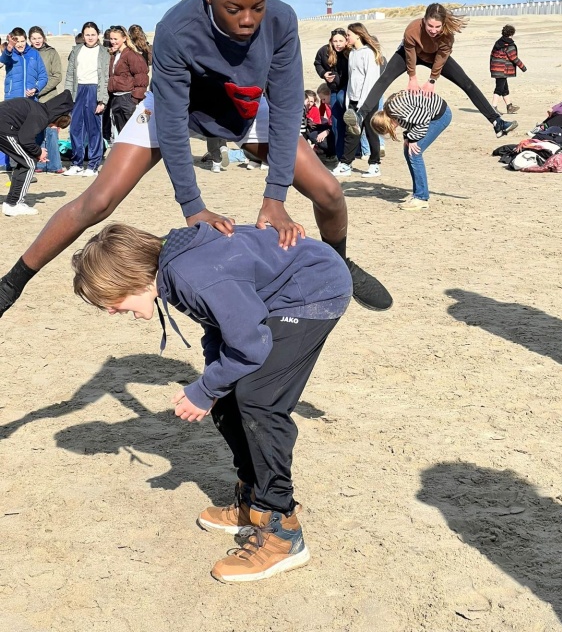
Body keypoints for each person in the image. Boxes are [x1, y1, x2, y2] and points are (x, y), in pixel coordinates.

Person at [0, 0, 391, 320]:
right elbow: (170, 122)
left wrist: (275, 197)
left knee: (329, 192)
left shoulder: (282, 21)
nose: (248, 19)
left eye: (257, 6)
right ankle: (11, 283)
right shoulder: (175, 27)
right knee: (97, 201)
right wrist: (193, 207)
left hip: (243, 105)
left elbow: (288, 108)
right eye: (234, 8)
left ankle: (338, 265)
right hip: (179, 108)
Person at [71, 221, 352, 582]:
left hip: (312, 290)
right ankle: (252, 500)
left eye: (109, 300)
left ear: (129, 277)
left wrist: (205, 389)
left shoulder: (192, 274)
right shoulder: (173, 272)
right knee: (227, 397)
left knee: (260, 402)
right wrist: (212, 388)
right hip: (277, 295)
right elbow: (218, 326)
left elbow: (250, 345)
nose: (110, 311)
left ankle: (281, 528)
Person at [347, 3, 518, 139]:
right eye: (430, 26)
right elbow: (410, 54)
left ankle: (497, 122)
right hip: (410, 54)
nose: (434, 30)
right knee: (384, 78)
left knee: (467, 83)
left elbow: (441, 58)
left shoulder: (447, 35)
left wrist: (432, 80)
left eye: (438, 27)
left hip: (435, 56)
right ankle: (360, 115)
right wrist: (412, 77)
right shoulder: (412, 30)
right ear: (424, 20)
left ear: (443, 24)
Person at [372, 90, 452, 211]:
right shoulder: (392, 113)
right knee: (408, 149)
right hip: (431, 114)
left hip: (439, 116)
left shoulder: (395, 110)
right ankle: (417, 193)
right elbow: (413, 121)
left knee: (415, 153)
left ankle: (421, 198)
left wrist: (413, 139)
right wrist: (408, 138)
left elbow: (423, 118)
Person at [0, 91, 73, 216]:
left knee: (26, 161)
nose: (51, 126)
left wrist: (36, 153)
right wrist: (38, 152)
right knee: (29, 163)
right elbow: (25, 139)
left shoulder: (39, 108)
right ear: (56, 117)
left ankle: (12, 202)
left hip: (6, 127)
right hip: (4, 128)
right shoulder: (41, 116)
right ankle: (13, 204)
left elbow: (24, 138)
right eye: (54, 125)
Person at [332, 23, 385, 178]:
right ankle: (345, 165)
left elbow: (370, 79)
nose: (346, 37)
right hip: (354, 100)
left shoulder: (369, 53)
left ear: (358, 35)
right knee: (352, 132)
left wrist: (363, 104)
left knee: (371, 132)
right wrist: (349, 100)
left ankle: (374, 165)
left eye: (348, 35)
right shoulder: (353, 53)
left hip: (368, 100)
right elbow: (352, 79)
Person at [63, 21, 108, 177]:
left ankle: (93, 165)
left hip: (94, 90)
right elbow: (70, 75)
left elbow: (106, 78)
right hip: (78, 90)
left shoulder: (104, 52)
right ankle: (76, 163)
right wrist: (68, 95)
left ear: (98, 35)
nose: (90, 37)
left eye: (93, 34)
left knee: (94, 129)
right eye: (87, 34)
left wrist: (102, 100)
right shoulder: (76, 51)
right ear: (83, 35)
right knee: (75, 128)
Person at [29, 26, 65, 174]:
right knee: (37, 131)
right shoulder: (28, 54)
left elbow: (57, 76)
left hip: (50, 97)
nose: (37, 41)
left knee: (51, 131)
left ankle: (55, 165)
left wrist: (40, 89)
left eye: (39, 38)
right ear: (30, 39)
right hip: (32, 98)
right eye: (33, 38)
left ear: (43, 38)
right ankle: (40, 164)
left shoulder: (52, 52)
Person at [107, 25, 149, 135]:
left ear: (124, 38)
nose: (113, 41)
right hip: (116, 98)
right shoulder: (114, 55)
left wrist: (135, 99)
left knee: (134, 132)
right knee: (122, 134)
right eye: (111, 39)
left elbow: (141, 76)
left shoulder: (132, 55)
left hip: (128, 98)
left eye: (115, 39)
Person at [314, 28, 349, 158]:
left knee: (350, 122)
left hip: (349, 90)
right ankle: (339, 156)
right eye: (335, 41)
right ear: (331, 41)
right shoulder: (324, 51)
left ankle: (357, 151)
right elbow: (317, 63)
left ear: (346, 40)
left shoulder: (350, 52)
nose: (338, 44)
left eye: (341, 40)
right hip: (334, 90)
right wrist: (323, 74)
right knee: (336, 122)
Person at [0, 27, 48, 100]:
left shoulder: (34, 54)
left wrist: (36, 89)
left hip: (31, 100)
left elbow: (43, 76)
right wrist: (9, 48)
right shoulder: (10, 53)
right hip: (12, 100)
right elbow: (3, 59)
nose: (20, 44)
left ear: (26, 40)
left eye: (22, 41)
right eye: (17, 42)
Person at [489, 25, 527, 114]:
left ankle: (509, 106)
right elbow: (514, 57)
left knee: (504, 88)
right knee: (499, 88)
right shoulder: (509, 45)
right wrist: (523, 67)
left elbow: (492, 55)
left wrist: (492, 68)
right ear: (512, 33)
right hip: (502, 70)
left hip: (496, 68)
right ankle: (493, 107)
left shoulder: (498, 42)